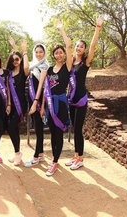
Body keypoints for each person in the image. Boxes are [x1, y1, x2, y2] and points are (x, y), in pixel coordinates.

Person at [66, 15, 104, 170]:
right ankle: (76, 155)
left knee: (79, 130)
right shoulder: (71, 63)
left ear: (84, 49)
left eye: (81, 46)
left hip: (81, 99)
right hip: (71, 99)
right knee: (74, 128)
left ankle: (80, 158)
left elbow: (94, 46)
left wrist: (98, 28)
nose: (78, 48)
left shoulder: (85, 63)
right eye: (77, 45)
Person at [44, 20, 73, 176]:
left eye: (61, 52)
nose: (59, 54)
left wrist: (61, 29)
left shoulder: (67, 67)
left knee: (59, 132)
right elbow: (45, 88)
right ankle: (55, 159)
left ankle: (54, 162)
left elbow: (69, 47)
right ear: (54, 55)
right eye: (57, 53)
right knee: (53, 132)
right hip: (50, 104)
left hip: (61, 103)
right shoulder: (49, 70)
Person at [24, 43, 49, 168]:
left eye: (41, 52)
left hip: (38, 101)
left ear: (44, 53)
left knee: (39, 129)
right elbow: (25, 69)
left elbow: (42, 87)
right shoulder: (33, 65)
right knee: (37, 127)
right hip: (33, 100)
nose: (39, 54)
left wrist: (38, 104)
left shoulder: (45, 67)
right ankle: (41, 154)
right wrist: (23, 51)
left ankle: (35, 157)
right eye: (37, 52)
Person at [5, 37, 30, 166]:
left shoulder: (23, 72)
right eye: (13, 59)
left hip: (21, 103)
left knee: (11, 127)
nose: (15, 61)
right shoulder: (9, 73)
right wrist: (9, 104)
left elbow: (25, 65)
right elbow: (8, 90)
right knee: (13, 129)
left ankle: (18, 153)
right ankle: (17, 152)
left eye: (17, 59)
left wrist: (24, 51)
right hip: (12, 104)